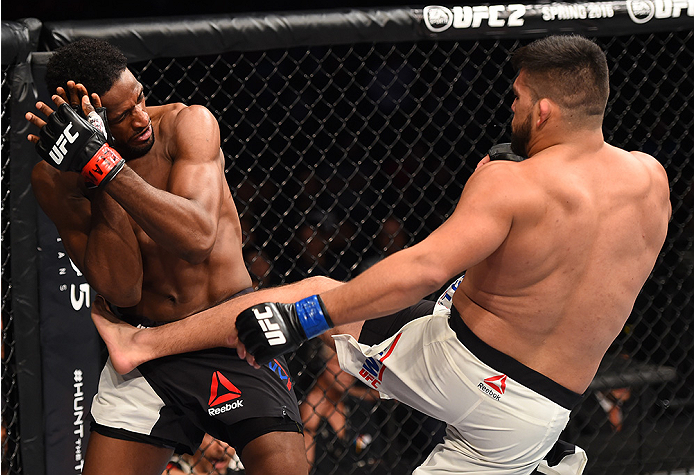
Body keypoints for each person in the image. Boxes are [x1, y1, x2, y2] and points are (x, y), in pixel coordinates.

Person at [90, 34, 670, 474]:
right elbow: (568, 273)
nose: (511, 110)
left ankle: (140, 342)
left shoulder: (513, 184)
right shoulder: (652, 181)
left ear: (543, 110)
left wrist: (304, 319)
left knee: (309, 290)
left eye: (517, 99)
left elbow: (420, 270)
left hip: (460, 366)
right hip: (541, 412)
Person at [25, 38, 309, 475]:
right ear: (87, 118)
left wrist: (105, 161)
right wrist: (94, 176)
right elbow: (123, 287)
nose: (141, 118)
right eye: (120, 116)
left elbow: (196, 237)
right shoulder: (54, 179)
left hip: (228, 334)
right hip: (143, 347)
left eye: (140, 97)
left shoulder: (187, 124)